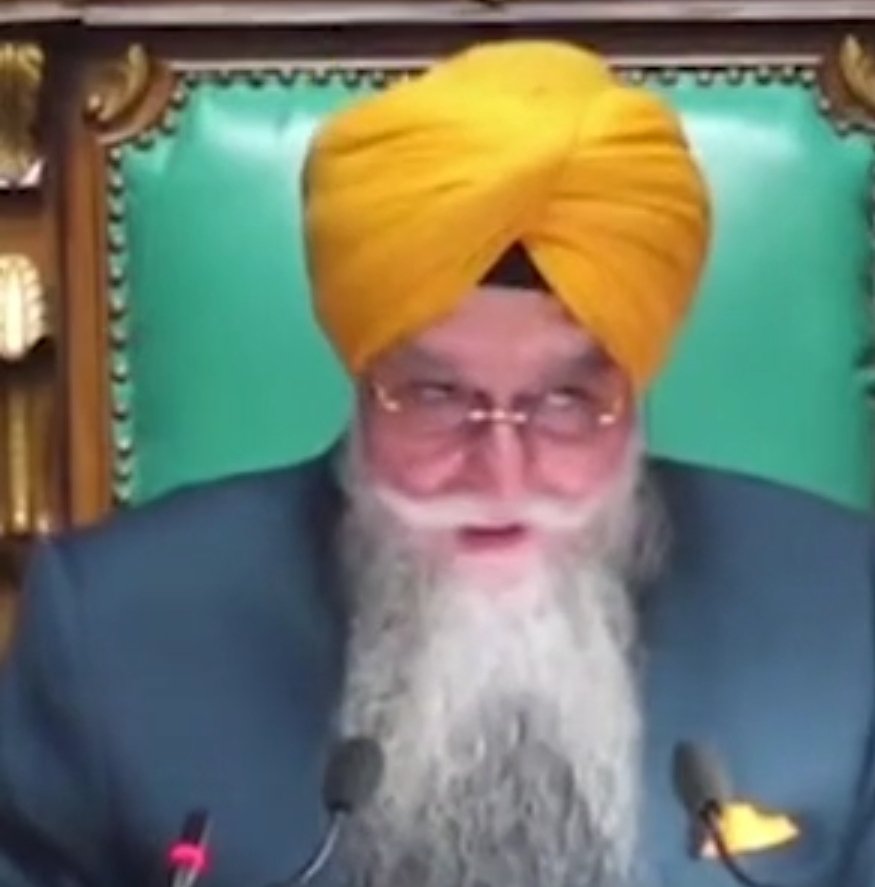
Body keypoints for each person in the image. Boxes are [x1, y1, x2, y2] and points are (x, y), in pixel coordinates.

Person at [1, 39, 873, 887]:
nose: (500, 473)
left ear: (635, 388)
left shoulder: (844, 612)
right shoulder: (113, 631)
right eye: (434, 395)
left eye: (566, 400)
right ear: (361, 377)